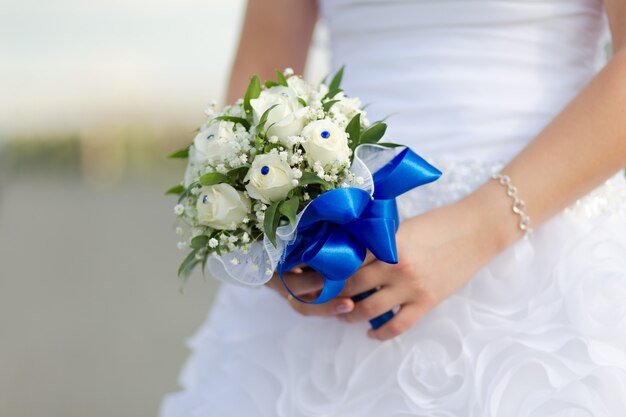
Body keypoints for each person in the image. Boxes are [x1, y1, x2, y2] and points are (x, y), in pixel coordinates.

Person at [161, 0, 626, 415]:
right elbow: (261, 72)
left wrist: (480, 227)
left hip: (539, 233)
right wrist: (268, 235)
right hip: (336, 241)